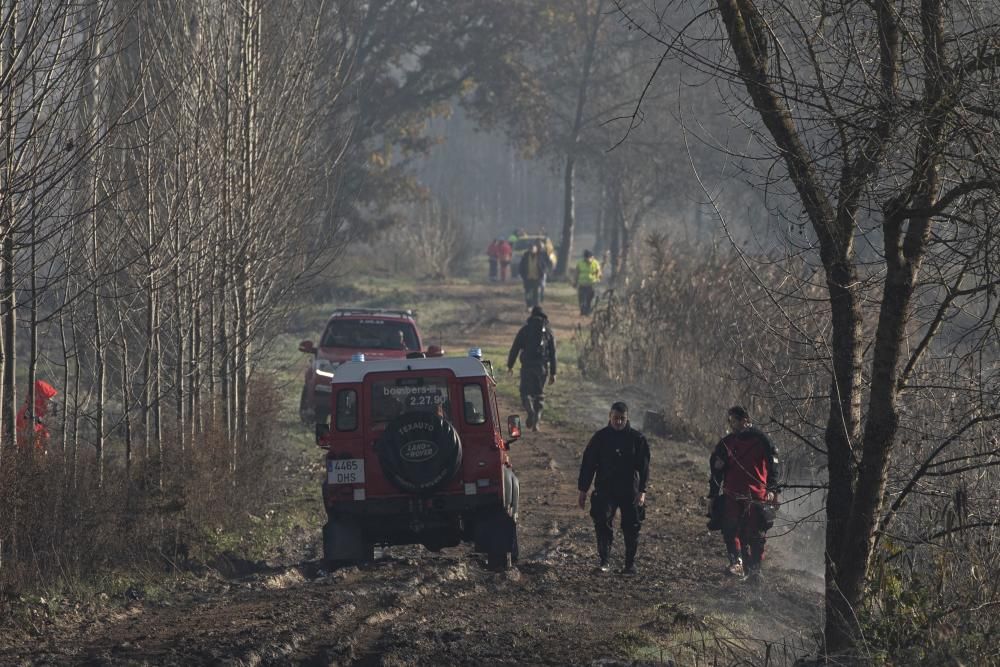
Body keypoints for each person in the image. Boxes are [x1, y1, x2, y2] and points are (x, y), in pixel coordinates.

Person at [577, 401, 650, 574]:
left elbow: (645, 467)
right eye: (615, 418)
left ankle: (629, 564)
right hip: (605, 488)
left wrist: (642, 492)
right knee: (602, 521)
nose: (618, 422)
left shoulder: (637, 439)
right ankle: (604, 561)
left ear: (627, 418)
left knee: (632, 525)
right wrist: (583, 490)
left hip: (629, 489)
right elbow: (588, 465)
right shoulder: (600, 438)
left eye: (622, 419)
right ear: (609, 417)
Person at [710, 406, 781, 580]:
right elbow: (716, 470)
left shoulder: (762, 440)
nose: (733, 424)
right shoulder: (726, 443)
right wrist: (712, 494)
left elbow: (774, 465)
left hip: (756, 494)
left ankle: (755, 568)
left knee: (755, 532)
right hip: (732, 493)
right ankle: (737, 562)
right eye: (731, 420)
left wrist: (773, 489)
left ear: (745, 420)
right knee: (730, 528)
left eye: (735, 420)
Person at [506, 305, 556, 432]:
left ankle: (530, 411)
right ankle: (536, 422)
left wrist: (510, 365)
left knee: (525, 392)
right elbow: (553, 354)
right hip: (542, 368)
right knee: (539, 395)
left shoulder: (525, 330)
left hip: (527, 366)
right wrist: (553, 373)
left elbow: (515, 348)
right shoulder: (548, 332)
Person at [16, 379, 58, 451]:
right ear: (40, 398)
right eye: (48, 400)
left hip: (32, 452)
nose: (49, 404)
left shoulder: (35, 412)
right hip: (26, 452)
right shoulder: (28, 411)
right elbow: (31, 434)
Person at [519, 242, 552, 310]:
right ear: (528, 249)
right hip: (527, 278)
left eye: (533, 249)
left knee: (536, 293)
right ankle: (529, 305)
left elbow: (546, 264)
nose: (532, 250)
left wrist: (544, 271)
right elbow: (521, 266)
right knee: (528, 293)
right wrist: (523, 275)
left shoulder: (540, 256)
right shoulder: (525, 255)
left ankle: (536, 306)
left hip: (537, 278)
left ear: (536, 249)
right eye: (530, 249)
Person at [572, 249, 603, 316]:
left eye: (589, 257)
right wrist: (575, 282)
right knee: (581, 299)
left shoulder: (596, 263)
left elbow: (599, 273)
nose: (588, 259)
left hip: (591, 285)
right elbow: (576, 273)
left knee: (590, 299)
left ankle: (588, 312)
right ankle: (583, 311)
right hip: (582, 284)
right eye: (586, 257)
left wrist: (598, 279)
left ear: (592, 257)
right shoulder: (580, 263)